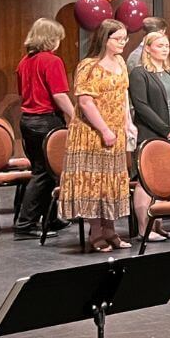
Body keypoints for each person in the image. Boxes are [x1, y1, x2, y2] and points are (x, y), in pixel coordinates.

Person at [60, 19, 136, 252]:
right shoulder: (88, 66)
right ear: (105, 39)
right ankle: (96, 232)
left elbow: (123, 95)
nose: (123, 43)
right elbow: (85, 101)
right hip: (91, 133)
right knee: (95, 182)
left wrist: (128, 123)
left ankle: (111, 230)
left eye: (125, 38)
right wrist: (104, 129)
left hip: (116, 130)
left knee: (111, 182)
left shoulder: (121, 63)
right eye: (118, 39)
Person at [14, 18, 76, 239]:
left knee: (43, 171)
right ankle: (25, 224)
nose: (59, 42)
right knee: (44, 173)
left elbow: (23, 91)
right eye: (58, 38)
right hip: (46, 121)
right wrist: (74, 115)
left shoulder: (24, 62)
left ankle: (48, 218)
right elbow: (58, 94)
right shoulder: (51, 61)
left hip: (28, 121)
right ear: (51, 39)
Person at [128, 30, 170, 240]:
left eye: (167, 46)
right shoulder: (139, 73)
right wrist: (165, 129)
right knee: (147, 181)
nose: (165, 49)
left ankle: (159, 225)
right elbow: (141, 106)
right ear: (148, 48)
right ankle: (144, 228)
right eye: (160, 46)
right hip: (152, 133)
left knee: (166, 180)